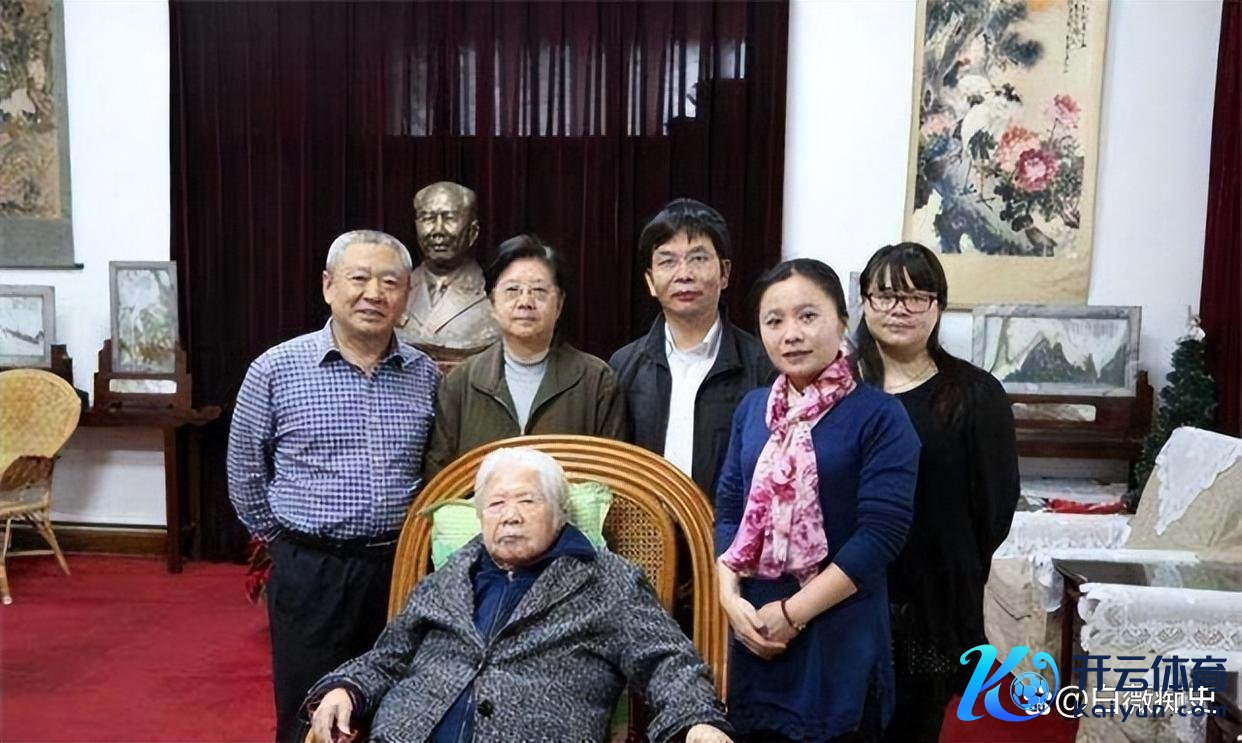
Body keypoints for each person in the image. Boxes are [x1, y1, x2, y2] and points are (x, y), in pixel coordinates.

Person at [302, 447, 734, 743]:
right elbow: (389, 656)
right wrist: (347, 688)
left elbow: (667, 661)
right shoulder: (448, 577)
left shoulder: (607, 580)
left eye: (528, 502)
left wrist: (696, 720)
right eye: (495, 505)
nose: (510, 516)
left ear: (560, 513)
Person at [227, 229, 439, 742]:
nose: (374, 293)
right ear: (328, 286)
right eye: (359, 278)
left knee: (394, 708)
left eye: (389, 282)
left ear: (406, 295)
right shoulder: (276, 369)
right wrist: (284, 542)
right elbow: (244, 473)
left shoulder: (425, 375)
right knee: (308, 712)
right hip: (310, 569)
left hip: (397, 568)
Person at [714, 258, 920, 741]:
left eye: (808, 316)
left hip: (838, 629)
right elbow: (730, 509)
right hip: (753, 628)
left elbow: (881, 536)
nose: (791, 334)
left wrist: (793, 614)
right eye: (774, 320)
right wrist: (728, 598)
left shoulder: (880, 416)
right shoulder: (752, 409)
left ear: (842, 321)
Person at [854, 243, 1019, 742]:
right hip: (847, 594)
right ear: (864, 302)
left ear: (939, 305)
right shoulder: (840, 388)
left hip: (934, 604)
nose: (899, 308)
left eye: (916, 296)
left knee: (917, 724)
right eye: (885, 295)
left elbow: (995, 506)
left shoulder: (974, 393)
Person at [423, 234, 627, 478]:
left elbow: (614, 476)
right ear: (492, 303)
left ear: (559, 304)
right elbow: (441, 477)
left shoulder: (596, 381)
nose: (525, 302)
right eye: (512, 290)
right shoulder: (461, 383)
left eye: (538, 291)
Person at [610, 198, 774, 499]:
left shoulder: (762, 365)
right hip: (647, 525)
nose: (683, 274)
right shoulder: (624, 365)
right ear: (650, 281)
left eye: (698, 259)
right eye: (667, 261)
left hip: (732, 526)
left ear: (724, 273)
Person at [397, 181, 501, 356]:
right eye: (428, 218)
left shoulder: (492, 295)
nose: (437, 230)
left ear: (473, 232)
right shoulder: (397, 290)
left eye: (450, 218)